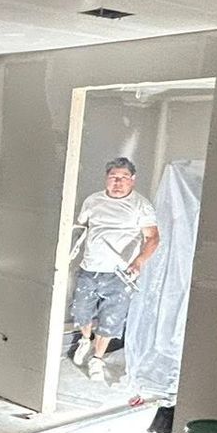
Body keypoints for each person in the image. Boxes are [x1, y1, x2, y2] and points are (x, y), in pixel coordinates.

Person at [66, 156, 160, 383]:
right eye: (113, 177)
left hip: (120, 274)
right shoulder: (92, 201)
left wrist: (138, 261)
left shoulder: (141, 206)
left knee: (111, 319)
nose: (118, 182)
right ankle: (85, 340)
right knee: (81, 311)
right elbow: (81, 227)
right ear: (106, 178)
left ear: (133, 179)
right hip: (90, 268)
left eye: (124, 177)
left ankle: (97, 359)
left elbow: (153, 238)